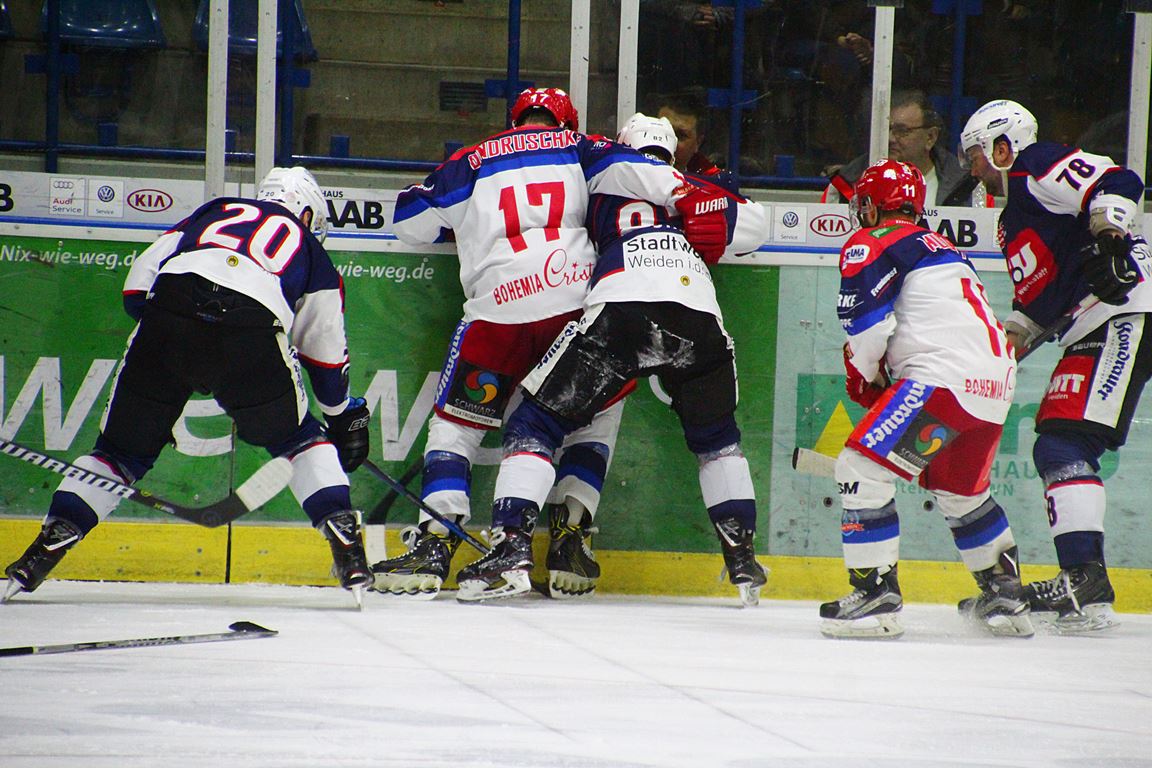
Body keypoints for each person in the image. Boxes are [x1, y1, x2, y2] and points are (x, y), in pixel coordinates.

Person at [378, 89, 715, 600]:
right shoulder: (581, 146)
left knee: (458, 425)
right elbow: (649, 178)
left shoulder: (470, 159)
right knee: (592, 417)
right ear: (567, 120)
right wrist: (699, 197)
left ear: (513, 120)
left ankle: (437, 539)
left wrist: (464, 227)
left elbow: (408, 222)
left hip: (499, 310)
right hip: (571, 303)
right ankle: (570, 537)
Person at [3, 167, 373, 603]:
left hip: (169, 315)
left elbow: (136, 289)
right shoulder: (311, 250)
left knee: (118, 453)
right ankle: (344, 541)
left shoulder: (213, 211)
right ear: (307, 214)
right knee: (300, 439)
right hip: (251, 328)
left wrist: (181, 359)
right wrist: (341, 414)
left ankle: (44, 548)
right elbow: (324, 351)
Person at [452, 113, 770, 605]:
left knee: (533, 426)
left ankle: (512, 547)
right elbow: (755, 227)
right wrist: (706, 197)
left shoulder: (597, 175)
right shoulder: (700, 185)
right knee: (718, 443)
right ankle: (743, 559)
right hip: (699, 316)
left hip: (623, 308)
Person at [960, 98, 1151, 633]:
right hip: (1097, 321)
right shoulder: (1014, 221)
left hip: (1123, 308)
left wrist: (1111, 237)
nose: (971, 168)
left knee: (1064, 443)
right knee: (1059, 442)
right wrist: (993, 356)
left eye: (975, 155)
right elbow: (1040, 307)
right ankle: (1088, 593)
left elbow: (1118, 179)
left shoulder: (1033, 166)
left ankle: (1084, 578)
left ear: (1002, 146)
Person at [820, 158, 1032, 640]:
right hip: (994, 386)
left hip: (941, 380)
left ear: (871, 206)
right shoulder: (946, 250)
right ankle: (1005, 597)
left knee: (860, 468)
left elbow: (869, 328)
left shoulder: (871, 240)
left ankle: (875, 597)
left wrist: (863, 375)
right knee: (963, 492)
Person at [821, 90, 981, 208]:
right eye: (885, 130)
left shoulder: (968, 189)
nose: (890, 139)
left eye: (902, 131)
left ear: (930, 137)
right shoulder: (844, 185)